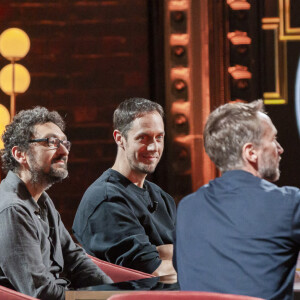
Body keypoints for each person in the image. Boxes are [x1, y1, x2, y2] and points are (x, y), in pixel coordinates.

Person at [175, 100, 300, 300]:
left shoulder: (187, 207)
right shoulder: (289, 204)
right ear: (251, 152)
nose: (280, 149)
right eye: (273, 139)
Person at [0, 107, 112, 300]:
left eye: (64, 142)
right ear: (20, 154)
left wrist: (113, 293)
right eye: (51, 142)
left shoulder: (41, 198)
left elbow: (75, 260)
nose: (64, 151)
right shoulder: (12, 210)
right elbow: (41, 293)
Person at [73, 98, 176, 276]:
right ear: (120, 138)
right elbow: (154, 271)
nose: (154, 147)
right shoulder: (106, 199)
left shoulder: (161, 196)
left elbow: (188, 251)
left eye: (159, 137)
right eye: (143, 138)